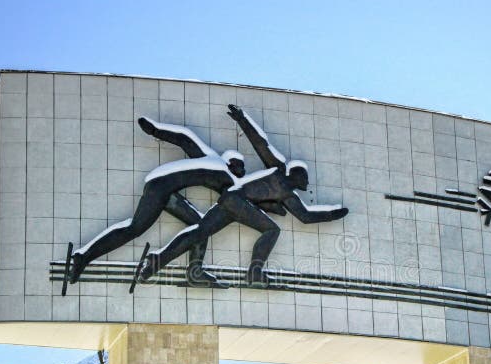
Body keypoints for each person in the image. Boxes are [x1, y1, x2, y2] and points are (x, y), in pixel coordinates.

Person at [138, 105, 348, 286]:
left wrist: (333, 214)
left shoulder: (289, 197)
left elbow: (306, 216)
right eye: (305, 177)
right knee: (271, 229)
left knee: (199, 233)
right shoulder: (278, 169)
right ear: (296, 175)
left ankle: (158, 259)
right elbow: (260, 143)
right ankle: (255, 273)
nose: (307, 183)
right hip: (238, 202)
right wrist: (242, 119)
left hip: (231, 201)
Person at [66, 117, 246, 287]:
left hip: (167, 191)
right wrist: (155, 130)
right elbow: (185, 138)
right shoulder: (218, 167)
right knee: (135, 228)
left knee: (200, 227)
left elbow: (186, 138)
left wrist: (155, 130)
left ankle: (195, 271)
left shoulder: (215, 165)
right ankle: (84, 257)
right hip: (159, 187)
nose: (242, 170)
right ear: (229, 162)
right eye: (239, 164)